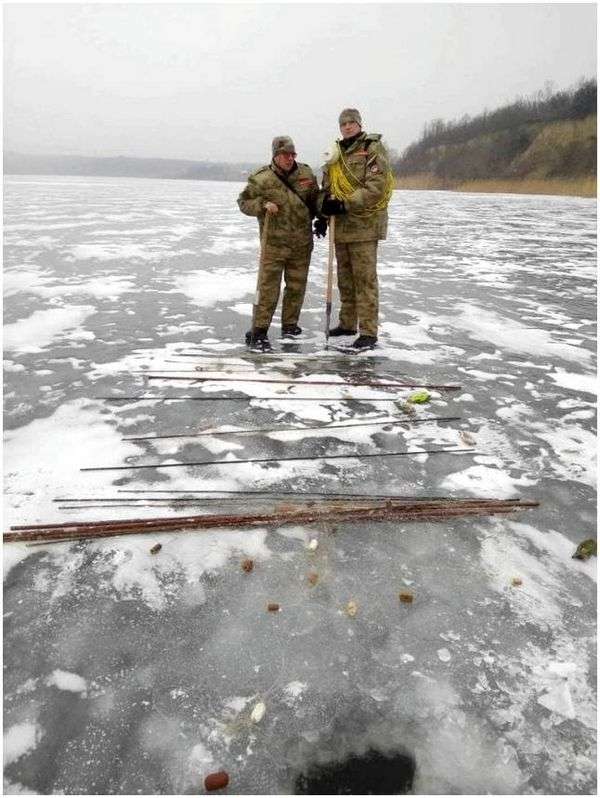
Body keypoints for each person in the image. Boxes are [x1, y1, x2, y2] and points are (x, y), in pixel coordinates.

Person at [237, 136, 322, 351]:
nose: (290, 158)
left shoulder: (306, 174)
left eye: (293, 154)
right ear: (275, 155)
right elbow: (243, 202)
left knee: (296, 287)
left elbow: (315, 200)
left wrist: (325, 210)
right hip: (273, 244)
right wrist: (262, 204)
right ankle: (259, 330)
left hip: (301, 243)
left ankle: (290, 326)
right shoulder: (261, 178)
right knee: (268, 288)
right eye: (285, 154)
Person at [317, 108, 393, 350]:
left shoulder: (372, 148)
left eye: (351, 122)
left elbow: (376, 187)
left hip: (364, 226)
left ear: (360, 124)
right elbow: (327, 186)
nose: (347, 127)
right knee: (346, 280)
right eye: (343, 124)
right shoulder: (336, 153)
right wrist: (323, 213)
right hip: (341, 227)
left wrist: (344, 203)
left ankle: (369, 332)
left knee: (365, 280)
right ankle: (347, 324)